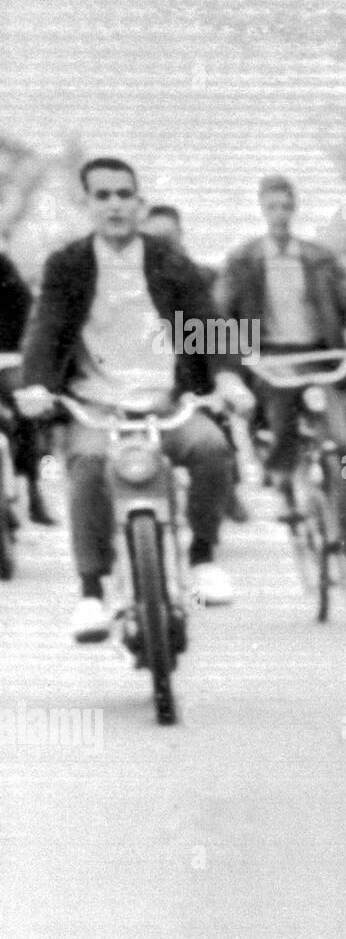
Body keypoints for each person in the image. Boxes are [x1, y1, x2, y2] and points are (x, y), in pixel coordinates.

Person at [15, 157, 253, 641]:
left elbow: (208, 322)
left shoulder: (168, 259)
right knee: (86, 466)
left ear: (139, 202)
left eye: (125, 194)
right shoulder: (68, 263)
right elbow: (46, 327)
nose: (115, 205)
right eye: (103, 195)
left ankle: (203, 556)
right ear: (87, 204)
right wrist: (36, 384)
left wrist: (228, 377)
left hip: (167, 406)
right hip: (96, 407)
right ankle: (91, 592)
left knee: (211, 448)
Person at [217, 175, 346, 513]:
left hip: (322, 354)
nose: (280, 214)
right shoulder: (244, 259)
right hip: (272, 358)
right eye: (272, 206)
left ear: (295, 209)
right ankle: (284, 484)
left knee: (343, 438)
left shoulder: (318, 257)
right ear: (262, 208)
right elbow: (220, 310)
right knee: (281, 426)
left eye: (286, 206)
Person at [143, 203, 249, 522]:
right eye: (155, 237)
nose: (164, 244)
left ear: (181, 236)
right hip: (157, 377)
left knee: (220, 432)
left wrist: (226, 372)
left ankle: (231, 490)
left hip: (200, 372)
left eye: (170, 237)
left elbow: (216, 324)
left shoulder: (201, 276)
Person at [0, 248, 55, 525]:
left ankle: (35, 494)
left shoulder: (3, 267)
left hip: (4, 358)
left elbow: (22, 308)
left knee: (25, 406)